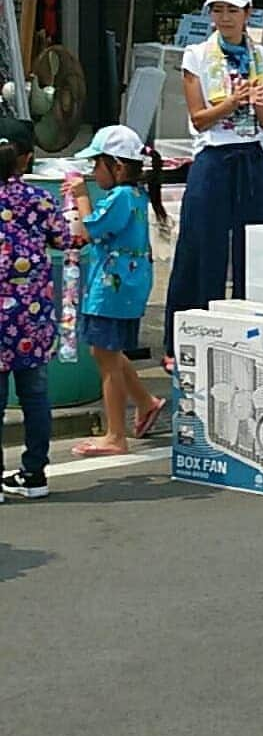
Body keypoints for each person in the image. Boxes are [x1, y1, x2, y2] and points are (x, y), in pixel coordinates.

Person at [163, 0, 263, 370]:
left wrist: (261, 101)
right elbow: (199, 120)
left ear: (248, 14)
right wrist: (234, 100)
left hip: (251, 157)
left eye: (232, 10)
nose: (225, 18)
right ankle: (189, 337)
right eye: (218, 10)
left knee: (256, 247)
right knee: (201, 245)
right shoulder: (196, 55)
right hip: (214, 157)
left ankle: (253, 334)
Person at [65, 126, 167, 457]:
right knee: (107, 350)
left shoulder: (121, 197)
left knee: (106, 357)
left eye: (97, 165)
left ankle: (115, 434)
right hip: (123, 287)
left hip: (111, 288)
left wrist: (81, 195)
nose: (94, 173)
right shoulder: (133, 196)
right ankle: (145, 401)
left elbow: (93, 227)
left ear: (118, 167)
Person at [0, 118, 69, 500]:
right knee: (35, 397)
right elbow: (65, 239)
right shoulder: (40, 200)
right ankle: (34, 474)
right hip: (31, 318)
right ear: (26, 159)